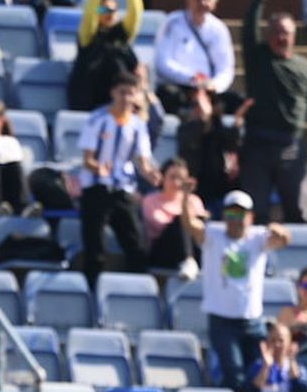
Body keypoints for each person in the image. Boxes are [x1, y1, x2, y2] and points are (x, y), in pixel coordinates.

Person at [240, 0, 307, 225]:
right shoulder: (258, 58)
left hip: (291, 147)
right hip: (257, 144)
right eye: (275, 32)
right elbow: (248, 30)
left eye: (286, 33)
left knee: (298, 212)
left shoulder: (306, 68)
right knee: (255, 211)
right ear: (268, 35)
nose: (280, 38)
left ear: (294, 36)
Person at [182, 189, 291, 392]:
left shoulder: (258, 238)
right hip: (223, 321)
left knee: (259, 370)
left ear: (250, 217)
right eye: (231, 214)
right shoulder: (213, 235)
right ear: (224, 217)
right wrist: (186, 196)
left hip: (252, 321)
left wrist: (279, 230)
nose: (236, 220)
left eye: (241, 214)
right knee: (235, 375)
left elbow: (285, 240)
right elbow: (189, 224)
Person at [78, 75, 160, 287]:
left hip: (123, 189)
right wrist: (99, 167)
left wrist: (149, 173)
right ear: (113, 93)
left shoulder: (137, 125)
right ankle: (93, 291)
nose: (126, 97)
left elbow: (142, 160)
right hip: (97, 188)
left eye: (130, 93)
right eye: (122, 92)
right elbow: (87, 159)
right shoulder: (97, 119)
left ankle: (136, 290)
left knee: (135, 244)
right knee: (95, 247)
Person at [152, 0, 239, 116]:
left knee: (236, 101)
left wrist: (214, 85)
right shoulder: (173, 23)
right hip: (180, 85)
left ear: (214, 4)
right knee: (167, 94)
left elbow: (226, 68)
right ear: (189, 0)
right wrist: (192, 79)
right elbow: (162, 62)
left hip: (208, 87)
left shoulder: (219, 29)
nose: (202, 3)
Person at [67, 0, 142, 112]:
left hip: (119, 99)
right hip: (89, 99)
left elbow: (136, 14)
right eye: (104, 9)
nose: (109, 13)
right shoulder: (88, 36)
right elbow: (89, 16)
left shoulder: (123, 33)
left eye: (113, 9)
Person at [175, 86, 242, 210]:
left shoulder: (222, 131)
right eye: (194, 104)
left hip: (221, 192)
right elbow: (190, 143)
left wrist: (236, 125)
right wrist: (203, 118)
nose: (198, 108)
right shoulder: (185, 130)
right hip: (196, 194)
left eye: (202, 104)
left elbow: (232, 145)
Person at [140, 158, 206, 272]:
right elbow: (158, 225)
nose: (176, 183)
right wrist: (185, 219)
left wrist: (185, 199)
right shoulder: (150, 200)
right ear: (163, 177)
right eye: (172, 177)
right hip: (163, 250)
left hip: (193, 247)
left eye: (181, 179)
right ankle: (188, 260)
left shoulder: (194, 201)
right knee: (181, 221)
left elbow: (200, 229)